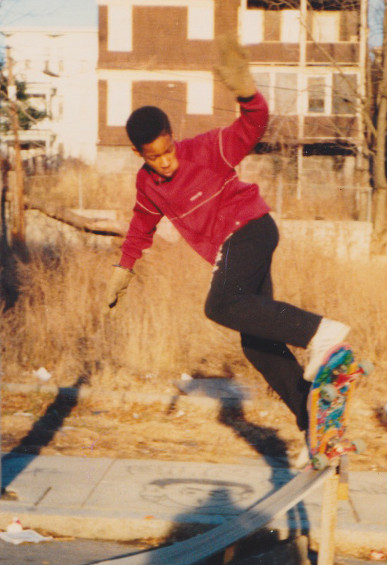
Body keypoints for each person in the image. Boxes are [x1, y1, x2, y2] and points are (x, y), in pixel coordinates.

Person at [104, 34, 351, 441]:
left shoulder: (207, 149)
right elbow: (141, 225)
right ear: (139, 154)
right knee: (256, 344)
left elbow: (252, 126)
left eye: (168, 151)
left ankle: (321, 333)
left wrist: (247, 93)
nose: (166, 163)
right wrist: (123, 269)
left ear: (172, 136)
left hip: (250, 229)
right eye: (154, 157)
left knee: (220, 304)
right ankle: (312, 415)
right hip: (238, 246)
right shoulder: (147, 185)